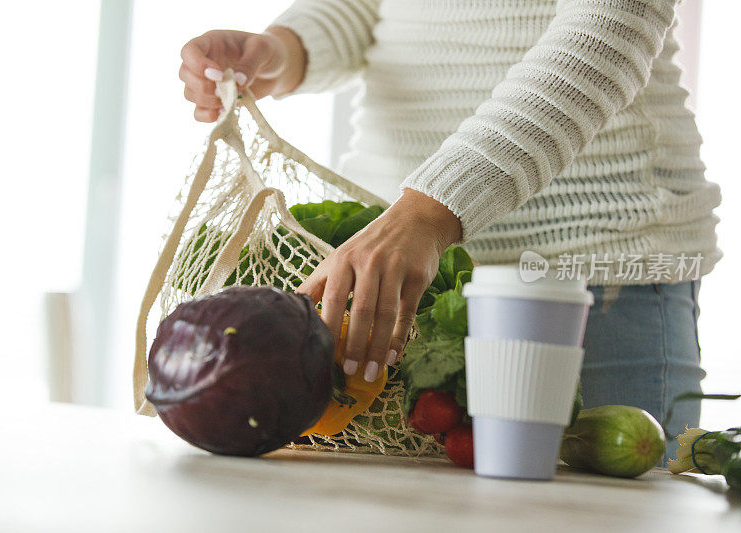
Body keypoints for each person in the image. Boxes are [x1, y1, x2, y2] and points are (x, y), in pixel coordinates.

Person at [178, 0, 721, 459]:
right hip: (399, 281)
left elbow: (610, 29)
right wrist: (286, 49)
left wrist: (430, 211)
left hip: (591, 271)